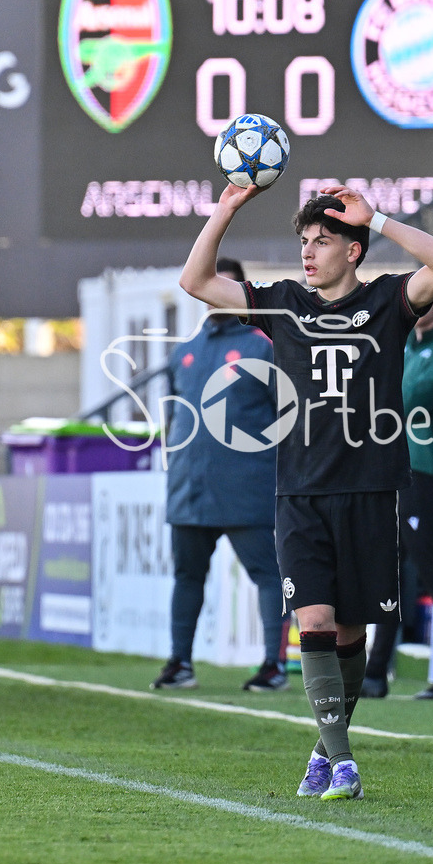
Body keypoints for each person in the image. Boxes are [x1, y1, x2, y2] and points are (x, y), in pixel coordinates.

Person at [179, 181, 433, 800]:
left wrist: (378, 217)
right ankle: (345, 763)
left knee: (352, 634)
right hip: (300, 493)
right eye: (304, 241)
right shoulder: (282, 304)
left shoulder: (389, 301)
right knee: (315, 620)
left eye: (323, 241)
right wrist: (226, 209)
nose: (309, 252)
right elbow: (196, 281)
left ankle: (322, 752)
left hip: (369, 490)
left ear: (353, 251)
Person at [151, 257, 290, 694]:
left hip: (247, 487)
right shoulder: (183, 352)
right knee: (187, 577)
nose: (216, 296)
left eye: (225, 288)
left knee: (268, 575)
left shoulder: (262, 346)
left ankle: (273, 664)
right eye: (209, 287)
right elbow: (174, 419)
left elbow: (288, 416)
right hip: (189, 489)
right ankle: (180, 661)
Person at [360, 293, 433, 700]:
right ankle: (374, 672)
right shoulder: (406, 342)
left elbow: (408, 397)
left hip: (424, 469)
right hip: (393, 466)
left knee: (430, 565)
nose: (425, 303)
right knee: (390, 567)